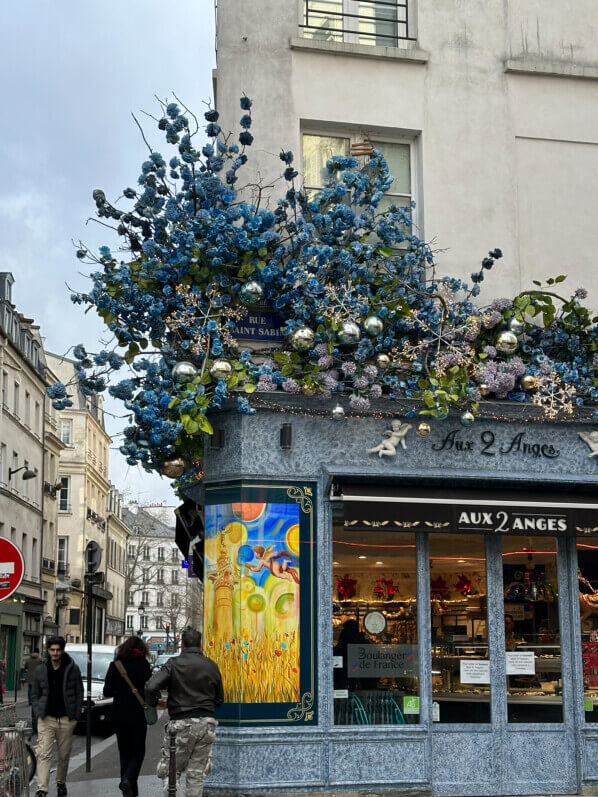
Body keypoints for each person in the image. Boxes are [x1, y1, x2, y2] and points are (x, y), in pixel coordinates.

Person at [145, 628, 223, 796]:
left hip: (180, 724)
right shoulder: (212, 666)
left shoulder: (173, 664)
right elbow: (219, 700)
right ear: (200, 643)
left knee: (170, 771)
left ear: (182, 644)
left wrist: (154, 703)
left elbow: (151, 686)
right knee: (197, 774)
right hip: (206, 724)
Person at [32, 636, 83, 797]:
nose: (55, 653)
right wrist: (38, 711)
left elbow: (79, 691)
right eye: (52, 650)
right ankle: (42, 788)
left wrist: (74, 716)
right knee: (44, 753)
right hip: (46, 718)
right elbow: (35, 693)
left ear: (62, 650)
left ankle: (61, 782)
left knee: (64, 755)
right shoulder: (41, 669)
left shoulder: (72, 668)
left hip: (66, 719)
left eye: (58, 650)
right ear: (48, 650)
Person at [103, 636, 152, 797]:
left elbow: (107, 692)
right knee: (138, 751)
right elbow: (150, 690)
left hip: (118, 714)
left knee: (124, 752)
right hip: (138, 714)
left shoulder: (115, 665)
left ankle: (129, 789)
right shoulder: (144, 665)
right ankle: (129, 780)